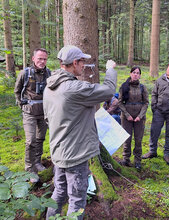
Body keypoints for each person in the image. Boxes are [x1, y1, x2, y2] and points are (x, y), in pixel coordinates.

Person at [43, 45, 117, 219]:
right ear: (74, 63)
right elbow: (108, 90)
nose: (84, 65)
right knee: (77, 200)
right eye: (82, 61)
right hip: (75, 155)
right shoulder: (74, 88)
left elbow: (47, 118)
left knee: (59, 193)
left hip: (58, 152)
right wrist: (110, 70)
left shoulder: (49, 87)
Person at [14, 48, 50, 182]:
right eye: (40, 58)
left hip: (43, 112)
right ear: (33, 58)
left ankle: (37, 162)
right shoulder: (25, 73)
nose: (42, 61)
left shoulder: (48, 73)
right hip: (29, 112)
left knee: (40, 138)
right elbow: (17, 91)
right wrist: (22, 105)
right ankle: (29, 169)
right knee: (30, 140)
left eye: (44, 59)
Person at [118, 66, 149, 170]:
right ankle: (126, 159)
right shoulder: (124, 86)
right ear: (130, 73)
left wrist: (140, 116)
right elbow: (120, 102)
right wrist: (127, 115)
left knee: (138, 139)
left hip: (139, 118)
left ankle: (137, 161)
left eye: (138, 73)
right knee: (127, 138)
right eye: (134, 72)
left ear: (140, 75)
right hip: (126, 117)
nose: (136, 74)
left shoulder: (142, 88)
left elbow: (146, 103)